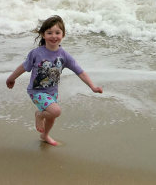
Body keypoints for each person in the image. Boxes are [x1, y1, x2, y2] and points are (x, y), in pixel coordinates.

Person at [6, 15, 103, 146]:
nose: (54, 36)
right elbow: (24, 67)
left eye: (57, 32)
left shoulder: (64, 55)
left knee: (51, 117)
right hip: (36, 91)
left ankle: (45, 135)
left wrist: (92, 87)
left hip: (52, 92)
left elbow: (80, 72)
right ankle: (39, 115)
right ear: (43, 34)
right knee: (55, 111)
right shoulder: (36, 53)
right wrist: (11, 78)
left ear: (63, 35)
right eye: (49, 32)